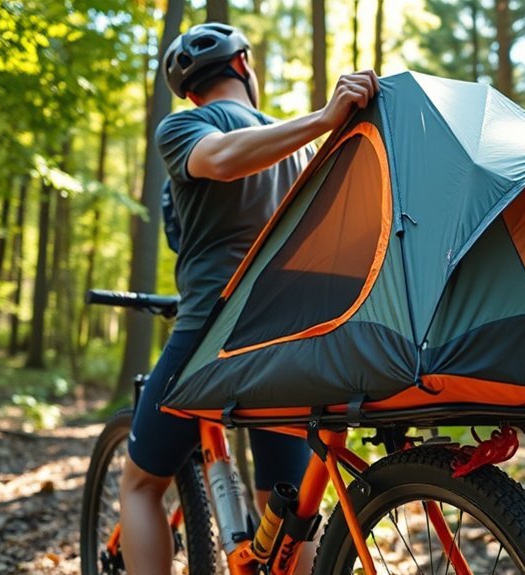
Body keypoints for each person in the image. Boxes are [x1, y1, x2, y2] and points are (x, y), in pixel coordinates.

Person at [119, 22, 379, 575]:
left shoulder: (185, 125)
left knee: (140, 484)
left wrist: (322, 118)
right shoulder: (298, 150)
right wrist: (319, 125)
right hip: (290, 337)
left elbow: (217, 159)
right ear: (242, 65)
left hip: (213, 332)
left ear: (191, 92)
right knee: (284, 509)